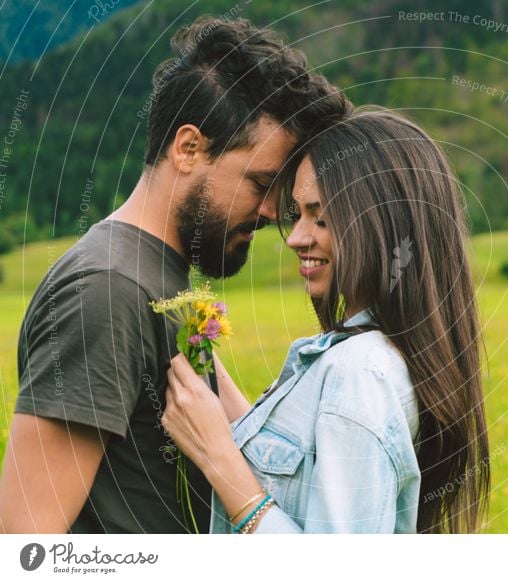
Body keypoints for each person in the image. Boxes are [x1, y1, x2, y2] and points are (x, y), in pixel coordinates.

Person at [0, 16, 349, 533]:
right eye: (259, 183)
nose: (276, 213)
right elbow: (25, 543)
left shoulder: (154, 276)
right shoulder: (103, 290)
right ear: (188, 148)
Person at [161, 110, 490, 533]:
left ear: (381, 224)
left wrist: (216, 456)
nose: (297, 237)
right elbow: (296, 470)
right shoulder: (367, 356)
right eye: (297, 214)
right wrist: (204, 367)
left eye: (321, 216)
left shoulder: (360, 375)